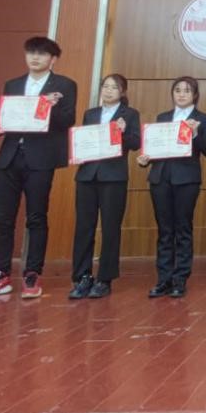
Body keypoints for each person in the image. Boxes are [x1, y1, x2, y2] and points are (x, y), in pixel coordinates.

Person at [0, 36, 77, 300]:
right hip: (10, 156)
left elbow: (67, 120)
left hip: (41, 159)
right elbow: (9, 118)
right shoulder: (13, 84)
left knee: (36, 217)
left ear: (53, 59)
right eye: (31, 53)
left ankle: (32, 273)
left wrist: (48, 107)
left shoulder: (64, 85)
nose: (35, 58)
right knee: (3, 219)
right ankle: (0, 275)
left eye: (42, 54)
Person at [137, 76, 206, 298]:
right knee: (164, 230)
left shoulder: (203, 119)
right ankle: (163, 279)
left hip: (186, 179)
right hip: (160, 178)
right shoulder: (162, 117)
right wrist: (145, 159)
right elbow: (156, 147)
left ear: (195, 95)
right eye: (177, 90)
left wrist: (196, 134)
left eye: (187, 91)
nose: (181, 94)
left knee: (182, 229)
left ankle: (180, 278)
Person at [68, 74, 141, 299]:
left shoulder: (130, 114)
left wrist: (123, 132)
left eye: (114, 87)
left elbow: (136, 143)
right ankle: (82, 276)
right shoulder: (90, 114)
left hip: (113, 177)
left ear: (123, 92)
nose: (108, 91)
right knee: (84, 227)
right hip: (87, 176)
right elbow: (84, 140)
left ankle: (105, 278)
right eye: (105, 86)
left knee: (110, 228)